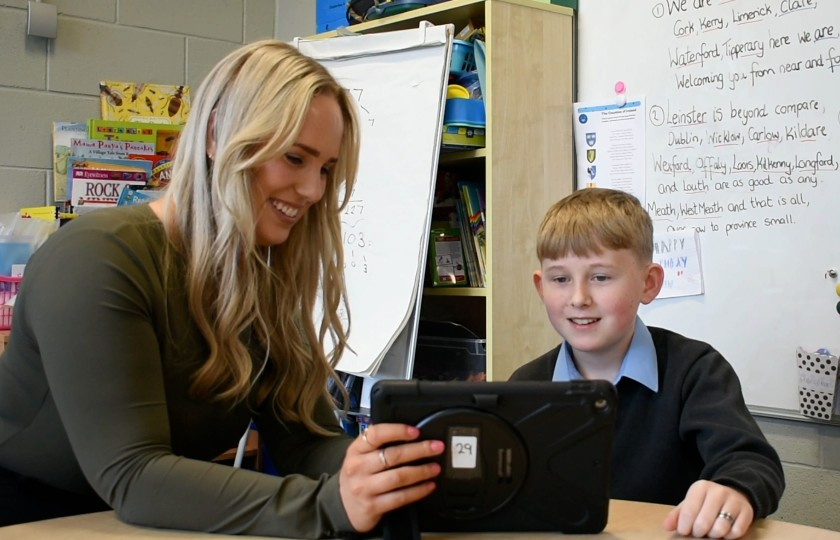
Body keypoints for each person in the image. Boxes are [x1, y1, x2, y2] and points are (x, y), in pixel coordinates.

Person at [0, 40, 444, 537]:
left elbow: (305, 442)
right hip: (35, 519)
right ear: (216, 136)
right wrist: (329, 504)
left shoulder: (262, 278)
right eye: (295, 157)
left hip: (160, 518)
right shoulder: (96, 260)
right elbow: (134, 475)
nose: (314, 191)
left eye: (325, 169)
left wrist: (394, 473)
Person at [510, 188, 784, 540]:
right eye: (560, 279)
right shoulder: (527, 385)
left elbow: (751, 461)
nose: (579, 298)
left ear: (648, 283)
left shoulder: (696, 370)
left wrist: (735, 489)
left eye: (600, 277)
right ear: (540, 286)